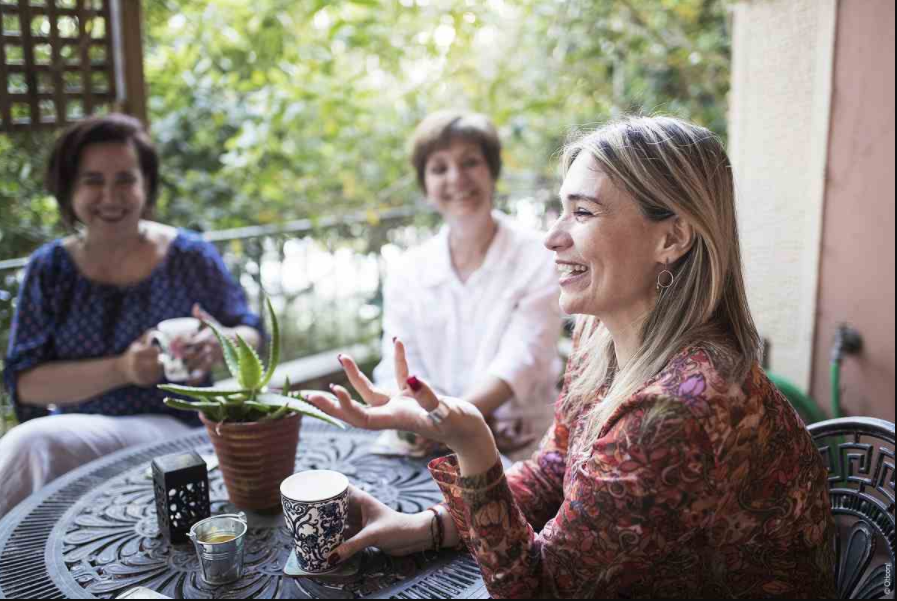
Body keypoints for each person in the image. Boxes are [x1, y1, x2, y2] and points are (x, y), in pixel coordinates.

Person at [310, 116, 837, 598]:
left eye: (582, 212)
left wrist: (473, 444)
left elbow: (540, 590)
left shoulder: (677, 408)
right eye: (560, 209)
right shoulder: (597, 334)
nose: (552, 237)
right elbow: (554, 468)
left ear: (671, 238)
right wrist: (429, 524)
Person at [0, 114, 263, 518]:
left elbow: (251, 332)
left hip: (178, 434)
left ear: (146, 185)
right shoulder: (49, 268)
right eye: (92, 180)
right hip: (77, 439)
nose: (111, 195)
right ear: (68, 187)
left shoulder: (189, 256)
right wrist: (122, 369)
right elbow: (26, 383)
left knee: (33, 444)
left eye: (125, 179)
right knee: (33, 443)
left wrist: (220, 343)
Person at [372, 110, 563, 456]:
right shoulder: (407, 270)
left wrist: (450, 420)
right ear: (425, 186)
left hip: (519, 448)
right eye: (439, 168)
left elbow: (523, 358)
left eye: (470, 162)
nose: (456, 178)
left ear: (492, 172)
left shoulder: (540, 255)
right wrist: (435, 422)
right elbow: (400, 361)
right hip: (430, 446)